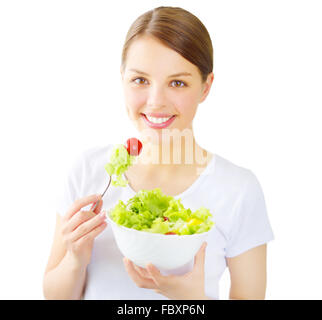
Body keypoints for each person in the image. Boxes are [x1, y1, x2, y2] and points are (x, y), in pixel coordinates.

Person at [43, 6, 274, 300]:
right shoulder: (88, 171)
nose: (155, 102)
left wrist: (193, 301)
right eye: (140, 80)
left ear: (206, 87)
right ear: (123, 78)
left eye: (177, 83)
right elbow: (54, 295)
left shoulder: (238, 190)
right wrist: (75, 260)